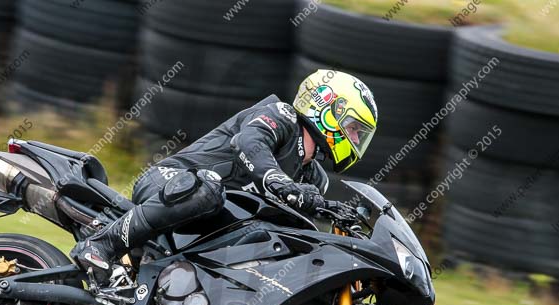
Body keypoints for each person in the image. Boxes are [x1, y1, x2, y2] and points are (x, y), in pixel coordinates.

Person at [71, 70, 378, 282]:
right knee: (208, 189)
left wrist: (335, 215)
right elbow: (249, 142)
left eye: (359, 134)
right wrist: (275, 179)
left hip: (210, 225)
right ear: (328, 108)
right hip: (172, 182)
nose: (354, 138)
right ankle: (102, 245)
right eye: (353, 128)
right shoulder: (281, 115)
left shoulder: (313, 178)